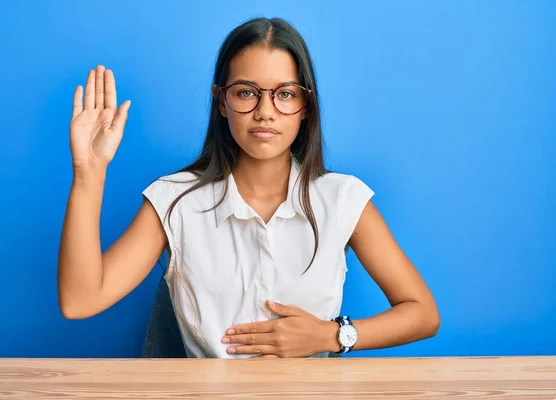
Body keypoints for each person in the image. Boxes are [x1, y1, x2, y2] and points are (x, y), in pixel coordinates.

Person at [57, 17, 440, 359]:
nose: (265, 111)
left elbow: (422, 312)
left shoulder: (343, 198)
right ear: (221, 101)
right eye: (246, 92)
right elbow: (80, 301)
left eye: (285, 94)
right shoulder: (175, 200)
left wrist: (332, 335)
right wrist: (88, 171)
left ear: (306, 106)